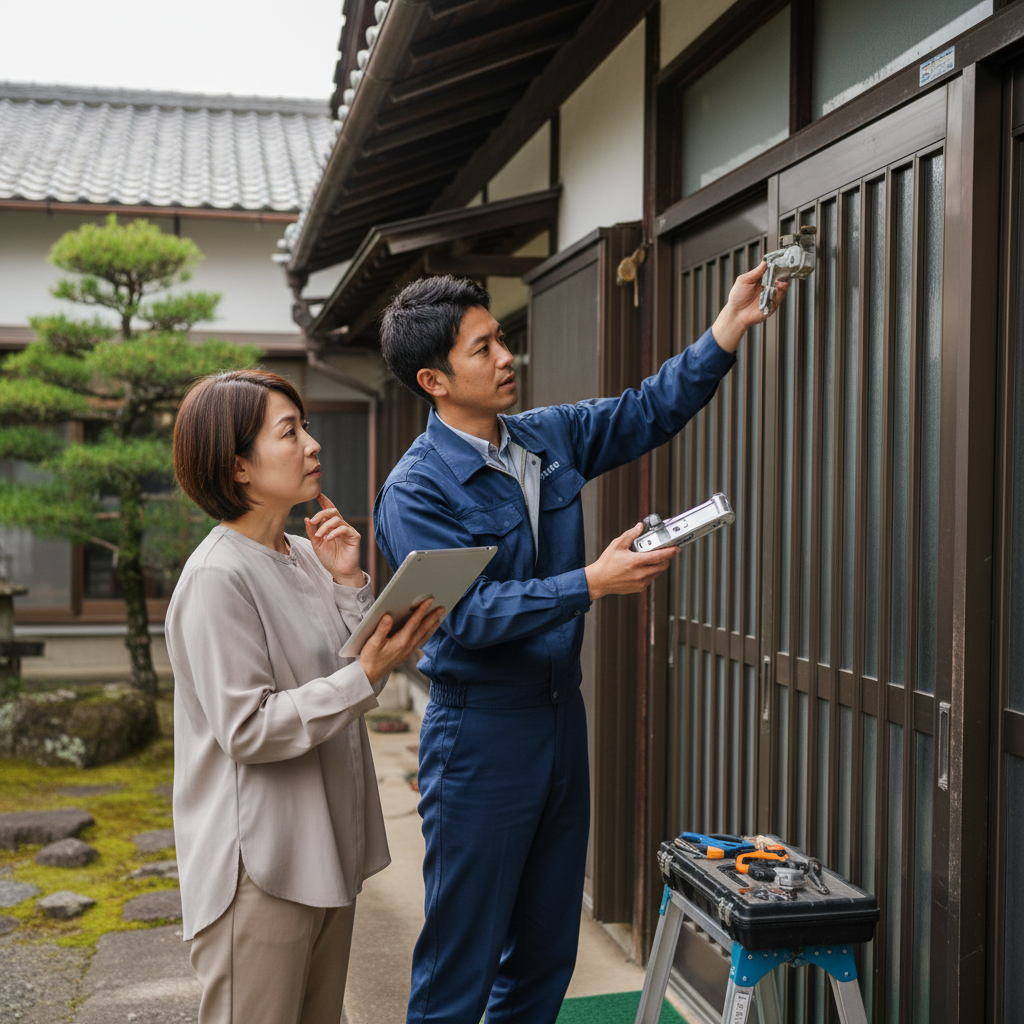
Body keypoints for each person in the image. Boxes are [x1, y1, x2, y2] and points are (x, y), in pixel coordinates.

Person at [373, 263, 787, 1024]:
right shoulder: (416, 490)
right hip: (480, 733)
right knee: (461, 959)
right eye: (483, 349)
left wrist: (727, 327)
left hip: (561, 717)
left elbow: (645, 411)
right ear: (433, 379)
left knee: (545, 953)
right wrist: (591, 582)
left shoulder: (542, 437)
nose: (506, 359)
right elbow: (466, 616)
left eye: (502, 339)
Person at [166, 369, 444, 1024]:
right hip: (257, 869)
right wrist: (368, 673)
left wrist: (349, 584)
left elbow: (342, 666)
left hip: (322, 846)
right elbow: (250, 729)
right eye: (289, 432)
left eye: (306, 427)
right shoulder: (216, 576)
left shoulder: (302, 553)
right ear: (238, 466)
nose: (312, 445)